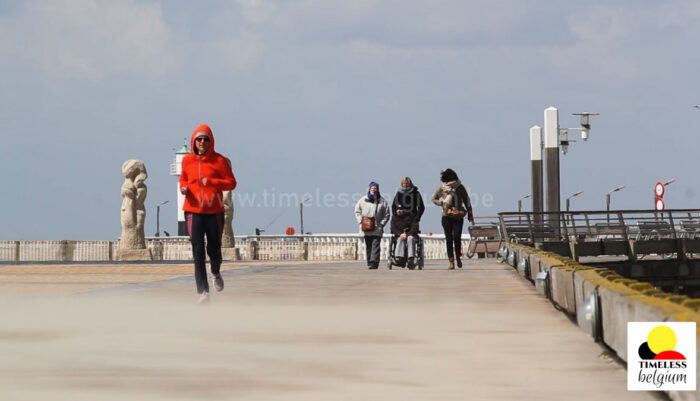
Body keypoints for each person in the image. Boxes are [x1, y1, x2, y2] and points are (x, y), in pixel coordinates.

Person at [180, 124, 237, 303]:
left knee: (214, 249)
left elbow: (231, 183)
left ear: (211, 141)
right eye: (199, 139)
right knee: (197, 250)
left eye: (206, 139)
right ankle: (202, 292)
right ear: (194, 142)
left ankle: (215, 271)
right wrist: (183, 187)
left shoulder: (220, 161)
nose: (202, 142)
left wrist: (212, 181)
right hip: (192, 210)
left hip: (215, 211)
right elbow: (183, 177)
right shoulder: (187, 160)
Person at [432, 168, 474, 269]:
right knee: (449, 239)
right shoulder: (442, 188)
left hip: (458, 215)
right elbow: (434, 199)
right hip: (446, 215)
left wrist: (470, 213)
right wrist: (441, 203)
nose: (449, 180)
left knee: (457, 237)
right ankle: (451, 261)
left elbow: (467, 201)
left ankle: (458, 257)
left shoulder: (460, 187)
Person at [390, 177, 425, 268]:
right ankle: (399, 259)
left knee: (410, 239)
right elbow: (393, 206)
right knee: (400, 239)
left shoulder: (415, 193)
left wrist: (417, 218)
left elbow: (421, 207)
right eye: (403, 184)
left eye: (407, 184)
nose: (405, 186)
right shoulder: (399, 193)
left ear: (410, 184)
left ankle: (411, 259)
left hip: (412, 218)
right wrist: (396, 215)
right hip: (399, 219)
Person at [354, 182, 390, 269]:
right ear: (369, 189)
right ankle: (370, 261)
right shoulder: (363, 200)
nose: (373, 190)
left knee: (376, 245)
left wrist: (382, 224)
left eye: (375, 188)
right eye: (372, 188)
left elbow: (387, 214)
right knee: (368, 245)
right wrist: (360, 221)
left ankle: (374, 262)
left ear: (378, 189)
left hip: (377, 227)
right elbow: (357, 211)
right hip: (366, 226)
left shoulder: (382, 201)